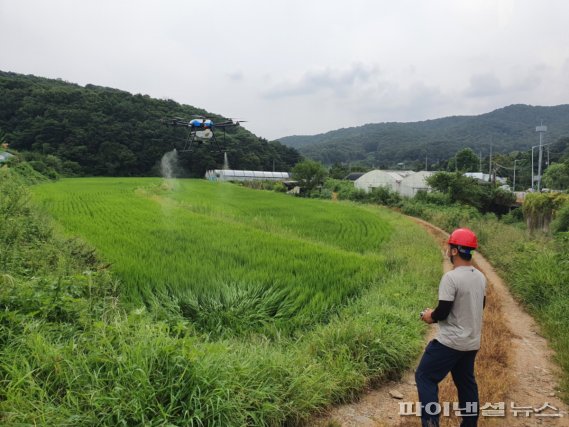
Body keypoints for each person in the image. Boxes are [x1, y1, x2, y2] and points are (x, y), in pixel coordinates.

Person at [415, 228, 486, 427]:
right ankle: (470, 424)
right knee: (466, 385)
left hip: (450, 343)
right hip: (471, 343)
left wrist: (430, 316)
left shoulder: (451, 278)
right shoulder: (480, 277)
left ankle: (430, 423)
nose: (447, 250)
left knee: (425, 376)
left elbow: (443, 311)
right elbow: (479, 306)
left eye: (450, 247)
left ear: (455, 251)